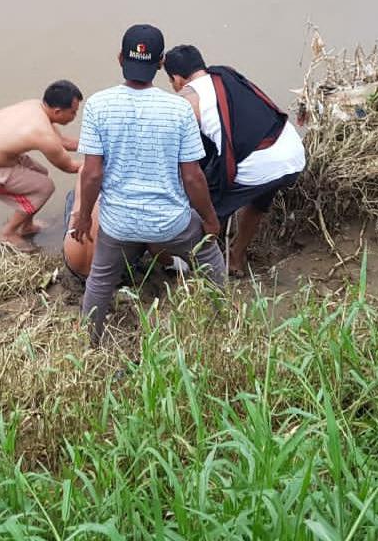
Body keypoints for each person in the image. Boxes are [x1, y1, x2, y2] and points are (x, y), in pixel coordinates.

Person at [72, 25, 226, 345]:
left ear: (119, 59)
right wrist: (210, 219)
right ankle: (220, 322)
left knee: (100, 281)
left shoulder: (98, 105)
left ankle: (90, 343)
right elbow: (192, 177)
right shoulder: (179, 108)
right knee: (209, 256)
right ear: (159, 63)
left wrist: (84, 215)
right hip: (171, 224)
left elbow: (91, 174)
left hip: (118, 224)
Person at [162, 44, 306, 275]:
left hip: (260, 163)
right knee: (258, 201)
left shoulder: (187, 99)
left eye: (171, 82)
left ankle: (201, 267)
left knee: (205, 212)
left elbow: (178, 158)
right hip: (292, 151)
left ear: (177, 79)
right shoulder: (225, 75)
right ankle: (236, 256)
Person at [0, 80, 83, 252]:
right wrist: (102, 163)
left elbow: (63, 142)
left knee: (40, 173)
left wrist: (100, 146)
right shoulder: (43, 134)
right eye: (73, 112)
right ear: (57, 111)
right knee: (44, 188)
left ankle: (26, 226)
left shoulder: (36, 106)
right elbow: (70, 167)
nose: (75, 116)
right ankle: (8, 233)